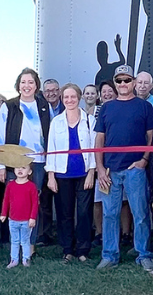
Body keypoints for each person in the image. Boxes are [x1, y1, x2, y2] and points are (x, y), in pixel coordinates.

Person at [95, 65, 153, 272]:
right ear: (115, 83)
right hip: (110, 170)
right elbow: (99, 139)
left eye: (127, 80)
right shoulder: (106, 107)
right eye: (119, 81)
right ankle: (109, 255)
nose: (123, 84)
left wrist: (144, 159)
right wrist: (99, 168)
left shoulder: (144, 107)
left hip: (135, 169)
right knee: (109, 214)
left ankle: (144, 254)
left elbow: (151, 136)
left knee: (140, 213)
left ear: (133, 82)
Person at [0, 68, 55, 247]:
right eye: (23, 82)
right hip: (14, 161)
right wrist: (0, 165)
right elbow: (0, 136)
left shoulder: (45, 106)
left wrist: (49, 164)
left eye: (30, 82)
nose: (26, 86)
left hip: (37, 162)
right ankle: (15, 244)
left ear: (36, 85)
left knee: (33, 203)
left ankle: (30, 244)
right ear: (18, 85)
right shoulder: (9, 106)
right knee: (15, 203)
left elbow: (50, 136)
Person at [47, 84, 98, 262]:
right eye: (66, 97)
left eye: (73, 97)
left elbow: (94, 148)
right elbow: (50, 149)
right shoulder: (56, 122)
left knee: (84, 213)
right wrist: (51, 175)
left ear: (80, 98)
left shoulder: (89, 121)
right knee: (64, 213)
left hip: (84, 173)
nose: (69, 100)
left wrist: (92, 172)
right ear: (62, 99)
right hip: (62, 174)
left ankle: (83, 249)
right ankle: (67, 249)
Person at [0, 165, 41, 268]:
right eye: (17, 167)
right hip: (13, 219)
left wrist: (32, 218)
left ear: (30, 171)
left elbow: (35, 203)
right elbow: (6, 200)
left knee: (25, 240)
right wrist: (4, 213)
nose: (20, 170)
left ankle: (26, 259)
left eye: (23, 167)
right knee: (14, 240)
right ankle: (14, 259)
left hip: (26, 220)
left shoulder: (31, 186)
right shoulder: (10, 185)